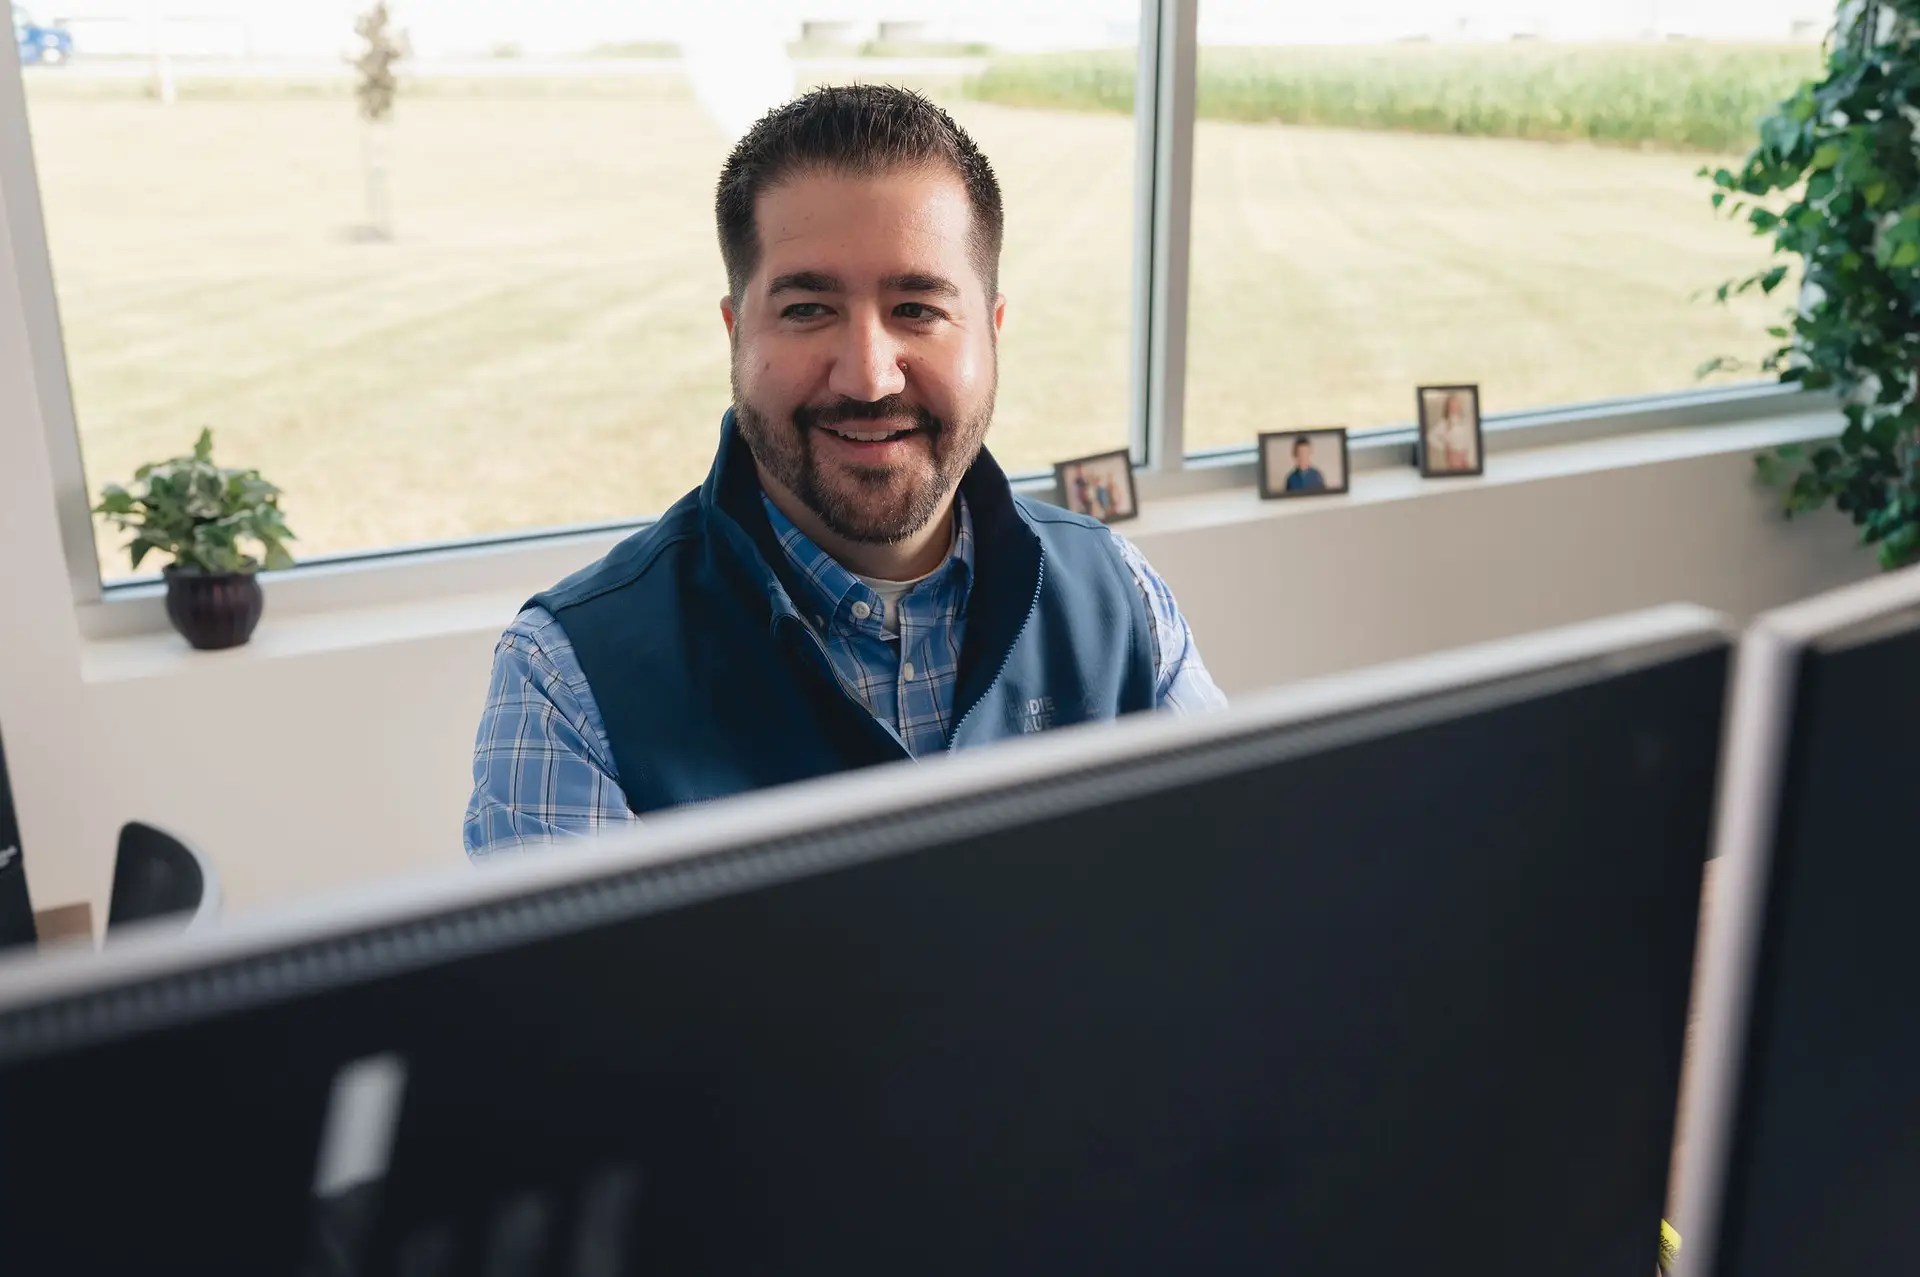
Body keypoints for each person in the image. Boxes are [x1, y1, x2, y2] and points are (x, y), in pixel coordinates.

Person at [465, 85, 1226, 859]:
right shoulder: (568, 683)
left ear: (991, 333)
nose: (868, 377)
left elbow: (1233, 908)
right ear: (736, 334)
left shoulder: (1120, 600)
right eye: (807, 310)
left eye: (917, 309)